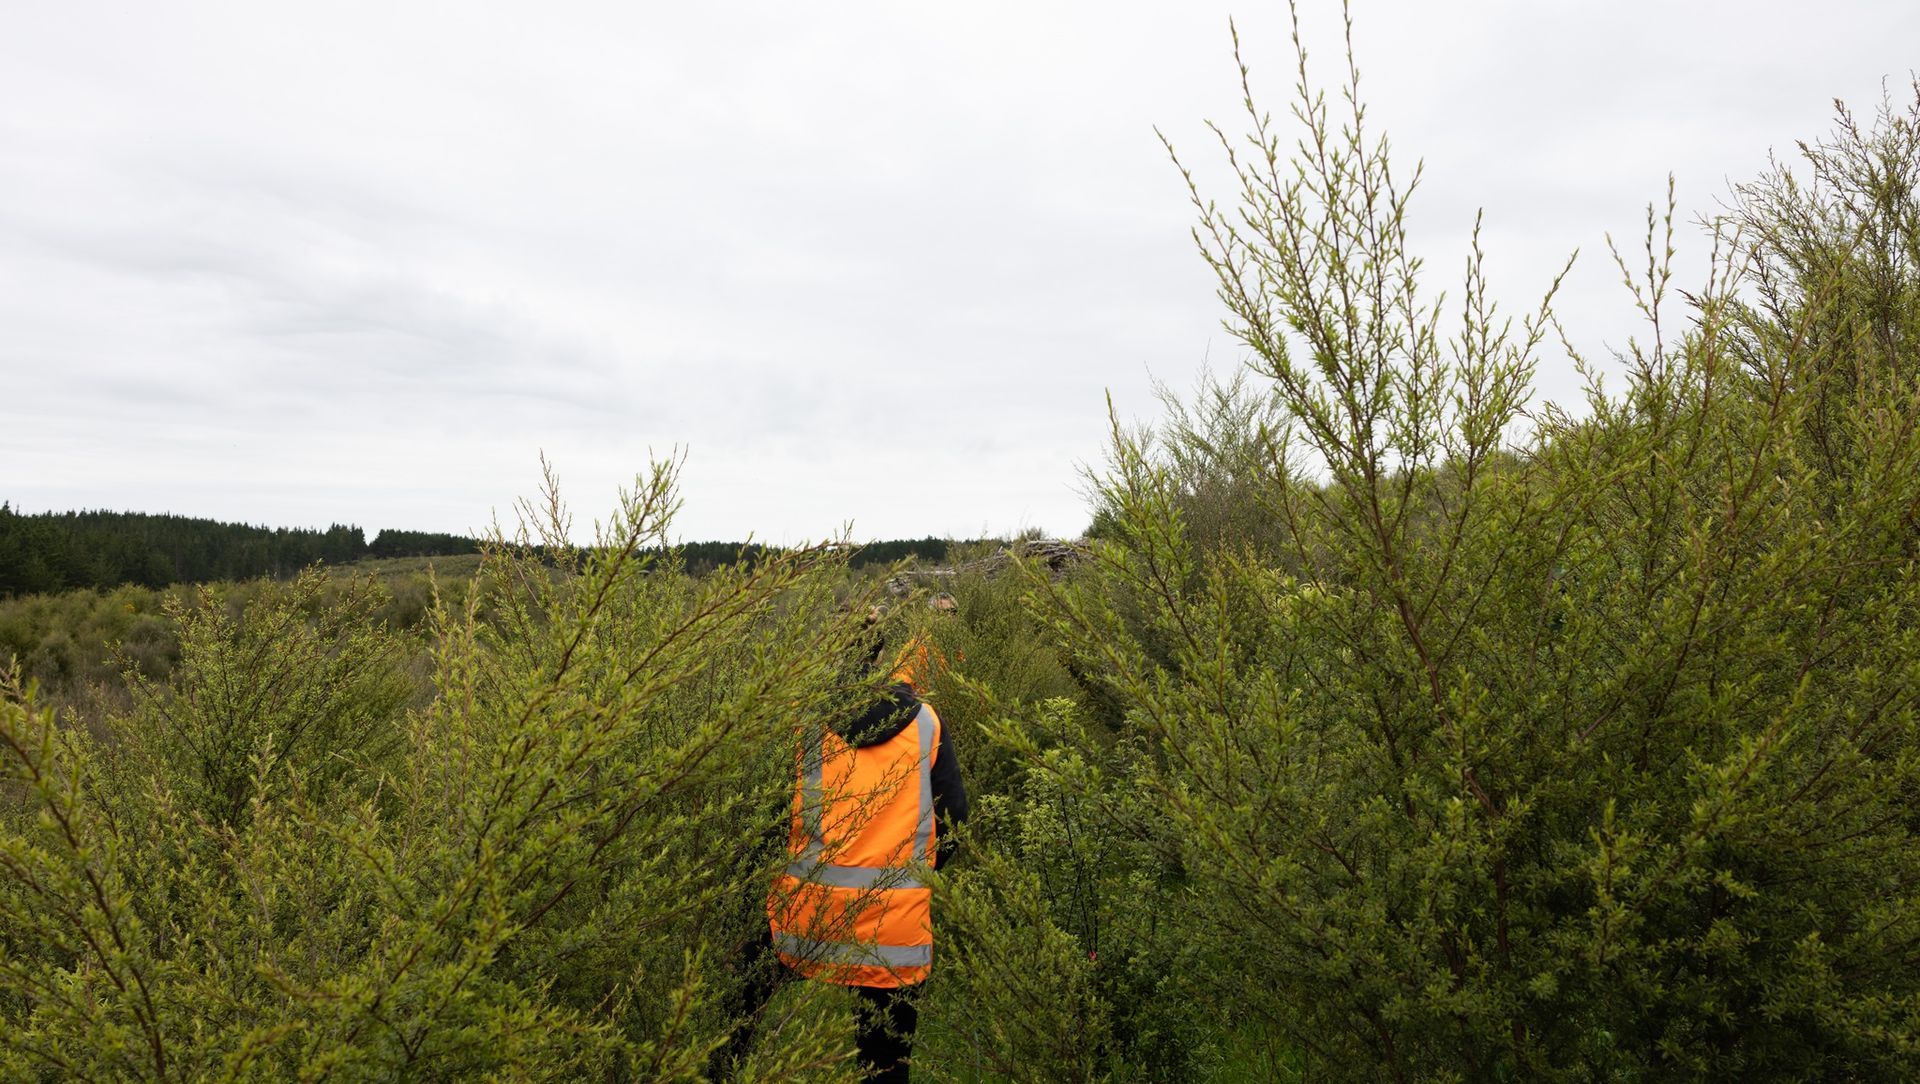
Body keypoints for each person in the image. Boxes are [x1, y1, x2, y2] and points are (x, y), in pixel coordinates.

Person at [729, 610, 968, 1082]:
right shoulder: (926, 724)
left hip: (805, 920)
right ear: (880, 655)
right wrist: (916, 878)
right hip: (894, 932)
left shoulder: (803, 723)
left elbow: (765, 824)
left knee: (736, 1010)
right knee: (883, 1065)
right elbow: (955, 819)